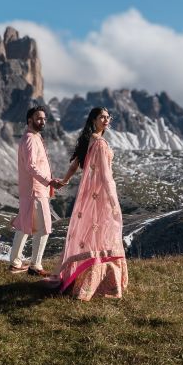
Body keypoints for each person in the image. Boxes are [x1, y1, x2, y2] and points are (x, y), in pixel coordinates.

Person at [51, 107, 128, 300]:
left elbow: (75, 163)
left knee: (91, 231)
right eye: (102, 117)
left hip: (88, 196)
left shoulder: (89, 139)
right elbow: (104, 175)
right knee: (102, 233)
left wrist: (66, 180)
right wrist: (112, 200)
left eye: (108, 117)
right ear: (93, 119)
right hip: (101, 195)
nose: (106, 119)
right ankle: (99, 282)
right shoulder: (100, 143)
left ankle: (81, 277)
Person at [8, 105, 57, 276]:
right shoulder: (30, 139)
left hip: (31, 191)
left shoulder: (33, 137)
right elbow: (31, 166)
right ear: (30, 120)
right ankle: (35, 266)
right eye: (38, 118)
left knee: (23, 226)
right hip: (35, 191)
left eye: (44, 118)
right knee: (44, 228)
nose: (42, 121)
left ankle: (14, 263)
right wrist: (48, 181)